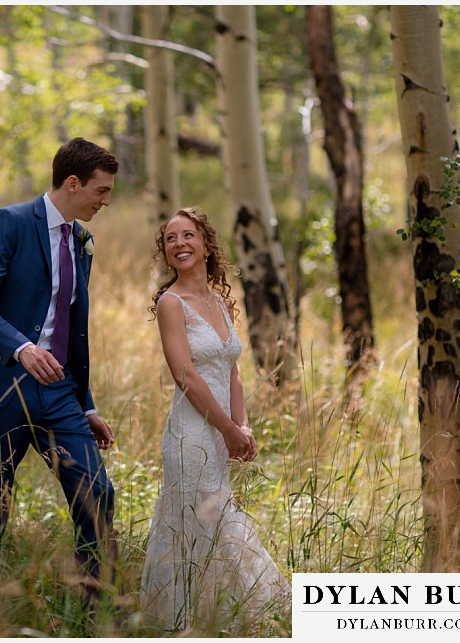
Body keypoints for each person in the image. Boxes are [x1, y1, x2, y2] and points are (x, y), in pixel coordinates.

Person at [0, 138, 119, 601]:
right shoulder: (10, 222)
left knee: (97, 492)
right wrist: (22, 348)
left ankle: (93, 608)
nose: (106, 201)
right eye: (101, 191)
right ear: (72, 184)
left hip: (58, 392)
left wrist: (85, 403)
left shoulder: (80, 240)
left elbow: (72, 329)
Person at [139, 208, 290, 632]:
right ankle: (189, 620)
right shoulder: (172, 304)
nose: (180, 243)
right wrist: (225, 428)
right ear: (166, 252)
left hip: (222, 431)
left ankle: (218, 615)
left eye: (189, 235)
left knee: (213, 520)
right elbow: (185, 374)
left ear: (206, 245)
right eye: (171, 238)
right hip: (191, 434)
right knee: (202, 521)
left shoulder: (221, 302)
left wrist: (242, 426)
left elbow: (232, 370)